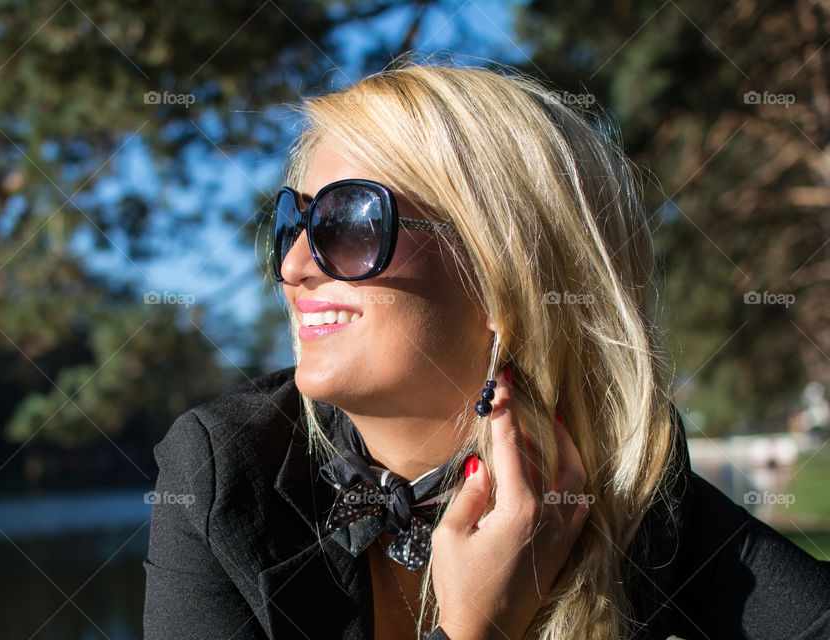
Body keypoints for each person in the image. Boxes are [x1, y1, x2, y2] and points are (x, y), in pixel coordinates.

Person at [142, 63, 830, 640]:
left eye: (347, 222)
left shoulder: (620, 477)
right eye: (295, 223)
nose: (294, 266)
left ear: (508, 273)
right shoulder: (224, 474)